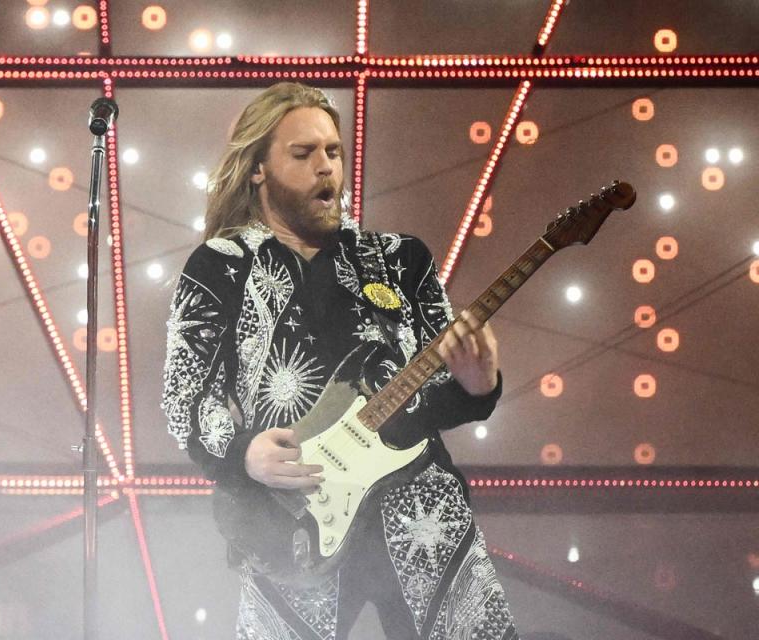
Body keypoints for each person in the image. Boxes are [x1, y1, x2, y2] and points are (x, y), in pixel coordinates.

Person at [162, 82, 519, 640]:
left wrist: (478, 385)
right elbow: (186, 398)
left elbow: (438, 393)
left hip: (421, 513)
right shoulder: (218, 266)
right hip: (292, 520)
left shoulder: (399, 258)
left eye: (333, 152)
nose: (326, 168)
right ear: (258, 169)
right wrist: (243, 453)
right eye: (303, 155)